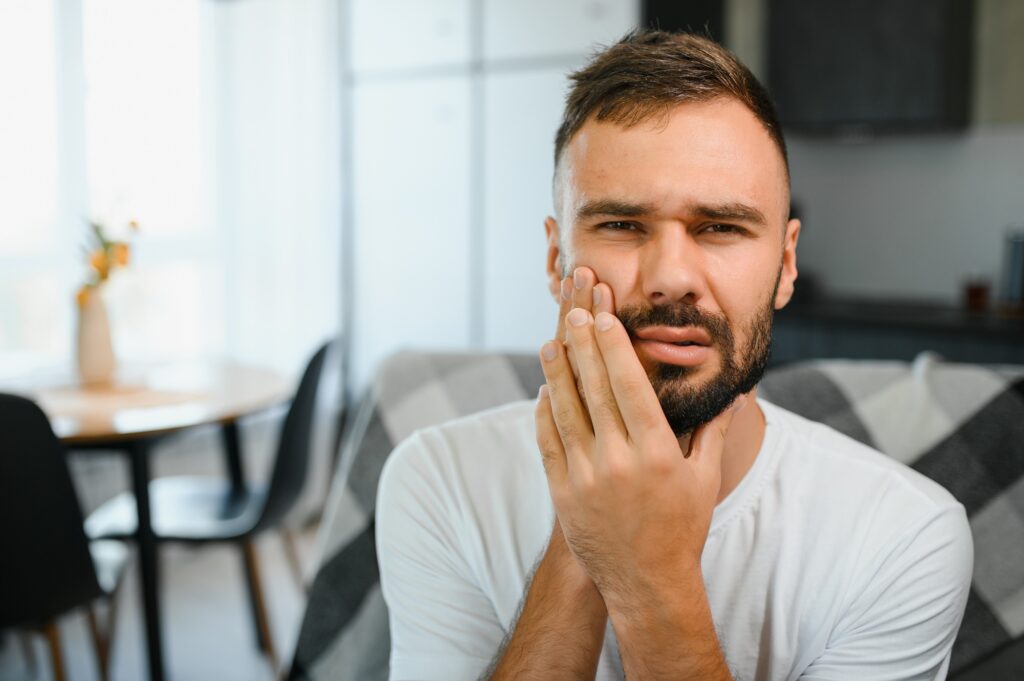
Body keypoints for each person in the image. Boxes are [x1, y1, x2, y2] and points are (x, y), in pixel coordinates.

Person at [376, 30, 973, 681]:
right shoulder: (436, 481)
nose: (672, 277)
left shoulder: (906, 537)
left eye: (720, 226)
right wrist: (584, 537)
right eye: (623, 225)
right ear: (556, 259)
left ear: (785, 262)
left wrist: (647, 576)